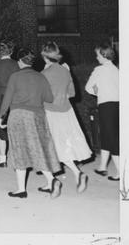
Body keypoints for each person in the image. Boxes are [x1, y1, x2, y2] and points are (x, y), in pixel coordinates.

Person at [0, 48, 61, 199]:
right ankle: (52, 181)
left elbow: (7, 99)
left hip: (18, 116)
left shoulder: (15, 76)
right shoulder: (41, 77)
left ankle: (21, 190)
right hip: (38, 116)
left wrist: (1, 117)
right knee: (38, 149)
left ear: (20, 61)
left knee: (19, 150)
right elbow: (49, 98)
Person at [41, 42, 92, 192]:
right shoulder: (65, 71)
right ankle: (76, 174)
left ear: (45, 57)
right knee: (61, 146)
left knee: (49, 146)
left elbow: (42, 95)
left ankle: (52, 180)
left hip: (51, 112)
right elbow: (73, 93)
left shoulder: (44, 74)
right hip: (67, 111)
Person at [85, 42, 120, 181]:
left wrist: (98, 91)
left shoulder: (99, 70)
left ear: (104, 56)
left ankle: (120, 172)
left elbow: (88, 88)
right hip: (119, 105)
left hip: (106, 105)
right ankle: (102, 167)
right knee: (109, 135)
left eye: (98, 55)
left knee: (111, 138)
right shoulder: (117, 70)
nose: (97, 57)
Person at [0, 40, 19, 168]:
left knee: (0, 128)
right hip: (15, 99)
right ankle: (18, 157)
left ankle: (3, 159)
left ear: (1, 52)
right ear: (12, 52)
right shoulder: (16, 65)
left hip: (0, 98)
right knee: (16, 127)